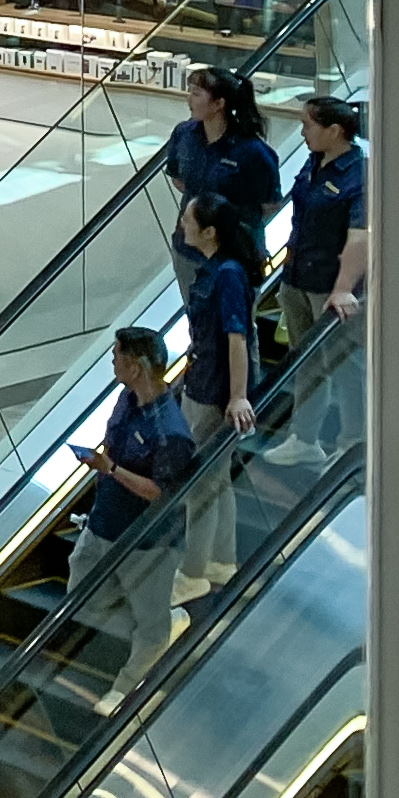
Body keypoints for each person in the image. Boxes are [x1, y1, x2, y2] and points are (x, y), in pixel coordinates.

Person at [70, 325, 200, 715]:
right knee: (82, 599)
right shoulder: (126, 401)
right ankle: (164, 618)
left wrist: (110, 469)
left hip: (146, 543)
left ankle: (127, 687)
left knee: (150, 624)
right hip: (102, 523)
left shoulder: (171, 433)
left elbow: (160, 493)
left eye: (117, 356)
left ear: (138, 365)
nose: (112, 361)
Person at [263, 97, 367, 464]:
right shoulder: (314, 163)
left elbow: (360, 237)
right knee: (305, 362)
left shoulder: (359, 174)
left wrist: (342, 288)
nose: (303, 132)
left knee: (346, 367)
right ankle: (305, 438)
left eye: (309, 125)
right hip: (297, 278)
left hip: (330, 286)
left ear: (335, 131)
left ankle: (351, 443)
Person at [173, 198, 258, 595]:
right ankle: (222, 560)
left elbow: (236, 338)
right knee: (217, 479)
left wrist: (238, 396)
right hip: (201, 380)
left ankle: (193, 574)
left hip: (212, 390)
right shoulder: (215, 269)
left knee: (201, 485)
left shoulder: (226, 274)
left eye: (188, 219)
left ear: (210, 231)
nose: (182, 223)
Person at [164, 69, 281, 306]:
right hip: (189, 249)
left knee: (236, 325)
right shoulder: (184, 134)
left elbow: (269, 203)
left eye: (196, 94)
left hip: (235, 256)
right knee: (197, 321)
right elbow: (178, 179)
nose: (189, 99)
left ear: (219, 103)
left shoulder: (252, 151)